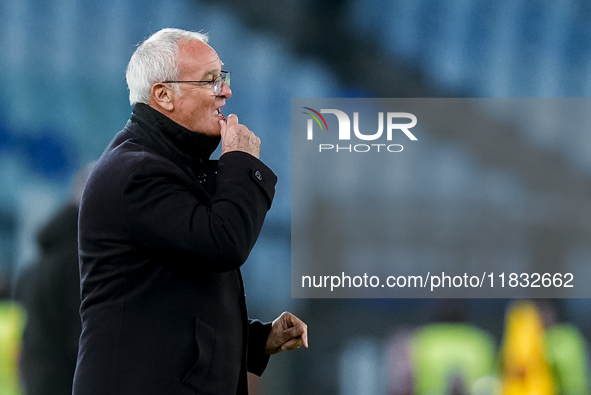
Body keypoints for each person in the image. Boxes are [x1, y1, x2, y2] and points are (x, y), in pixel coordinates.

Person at [73, 28, 308, 395]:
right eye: (210, 80)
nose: (226, 91)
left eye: (223, 78)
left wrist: (257, 339)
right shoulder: (137, 171)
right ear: (164, 95)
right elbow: (223, 242)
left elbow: (172, 307)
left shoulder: (169, 164)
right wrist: (241, 164)